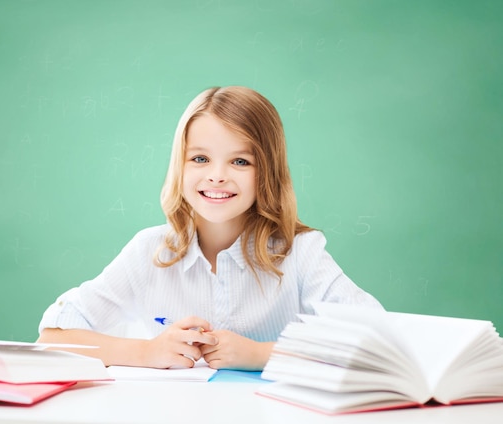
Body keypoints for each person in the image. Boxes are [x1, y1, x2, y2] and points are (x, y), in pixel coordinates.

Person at [37, 86, 383, 371]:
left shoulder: (300, 252)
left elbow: (377, 337)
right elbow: (52, 338)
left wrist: (261, 355)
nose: (217, 175)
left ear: (268, 172)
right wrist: (147, 352)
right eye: (200, 159)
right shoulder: (150, 251)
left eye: (240, 161)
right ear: (180, 166)